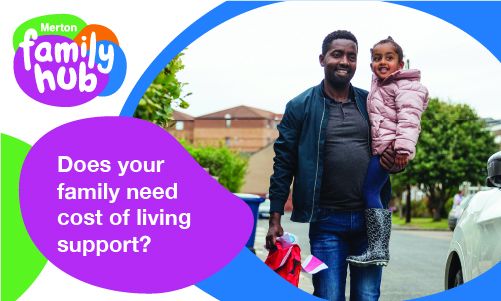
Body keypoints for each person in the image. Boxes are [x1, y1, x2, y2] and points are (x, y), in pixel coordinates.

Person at [266, 30, 402, 301]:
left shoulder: (371, 101)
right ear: (322, 59)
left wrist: (396, 162)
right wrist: (275, 218)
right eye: (337, 54)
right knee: (328, 294)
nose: (344, 61)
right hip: (326, 221)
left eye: (352, 57)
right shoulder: (300, 106)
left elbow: (393, 142)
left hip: (370, 220)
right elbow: (283, 163)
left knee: (367, 295)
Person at [346, 37, 429, 267]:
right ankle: (379, 249)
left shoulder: (405, 86)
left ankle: (378, 249)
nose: (382, 62)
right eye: (376, 58)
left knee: (370, 191)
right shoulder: (383, 85)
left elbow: (409, 118)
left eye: (389, 58)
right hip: (383, 147)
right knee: (373, 191)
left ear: (400, 64)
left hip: (390, 148)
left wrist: (402, 148)